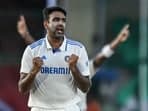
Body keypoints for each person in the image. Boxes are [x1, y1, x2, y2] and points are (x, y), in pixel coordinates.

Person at [17, 13, 130, 111]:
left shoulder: (83, 69)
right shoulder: (55, 67)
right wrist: (26, 35)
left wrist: (118, 40)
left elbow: (102, 57)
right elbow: (38, 53)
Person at [18, 6, 92, 111]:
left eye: (63, 20)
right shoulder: (32, 50)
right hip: (40, 108)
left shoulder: (78, 49)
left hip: (68, 108)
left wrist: (74, 69)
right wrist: (33, 72)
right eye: (56, 20)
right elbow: (22, 89)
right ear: (46, 24)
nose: (60, 23)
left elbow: (85, 88)